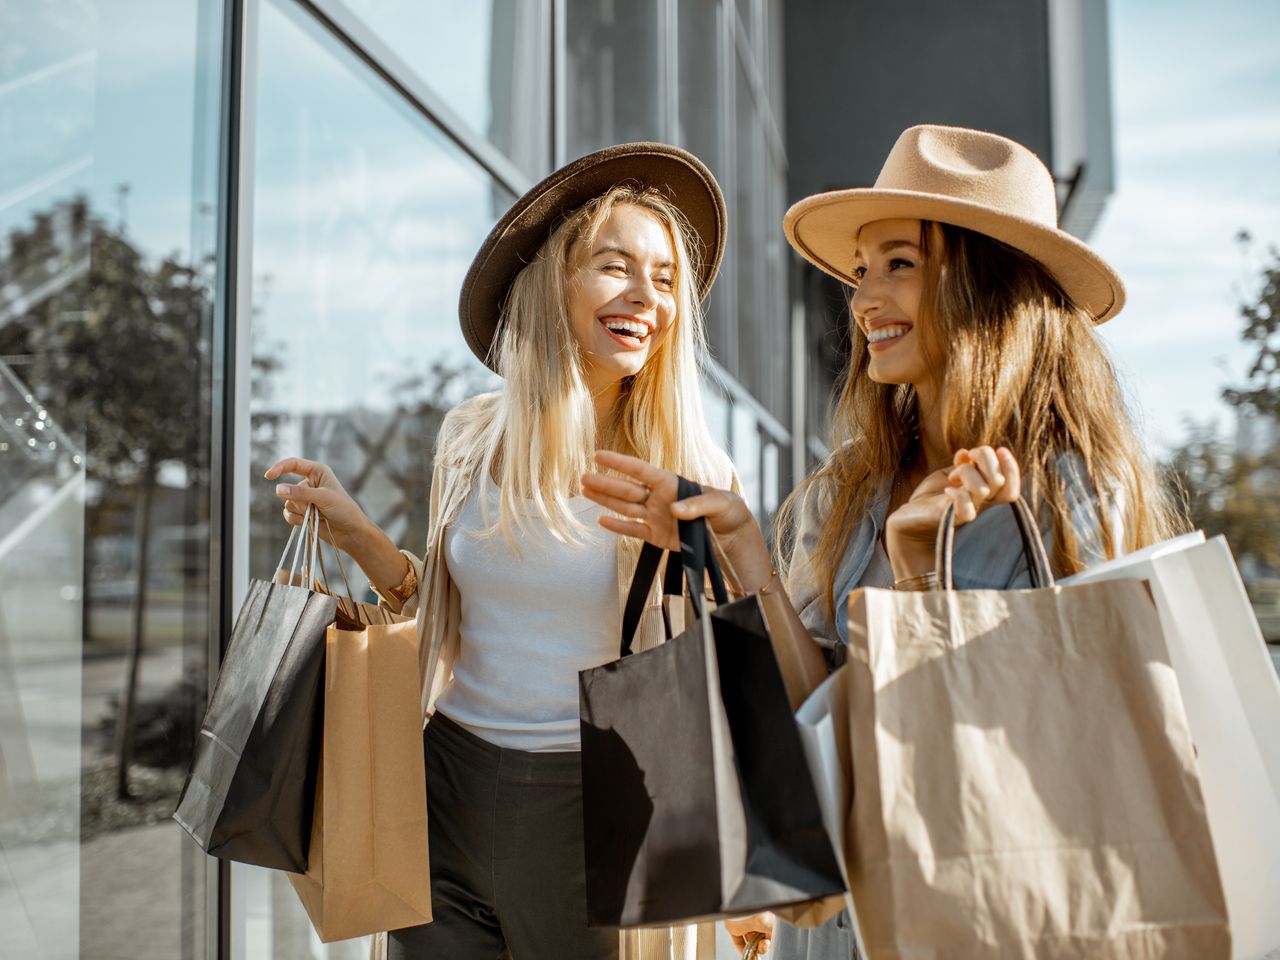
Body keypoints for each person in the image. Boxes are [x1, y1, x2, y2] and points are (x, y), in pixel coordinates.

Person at [580, 124, 1184, 959]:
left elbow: (1069, 744)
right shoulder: (849, 488)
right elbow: (813, 714)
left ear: (987, 284)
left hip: (990, 917)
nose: (863, 300)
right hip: (845, 919)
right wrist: (746, 557)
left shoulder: (1072, 496)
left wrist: (918, 590)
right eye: (860, 271)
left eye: (898, 264)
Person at [264, 142, 735, 960]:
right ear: (557, 280)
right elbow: (448, 611)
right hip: (443, 785)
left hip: (594, 815)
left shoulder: (687, 471)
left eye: (664, 279)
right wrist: (361, 537)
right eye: (614, 266)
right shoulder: (471, 435)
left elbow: (719, 671)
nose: (643, 296)